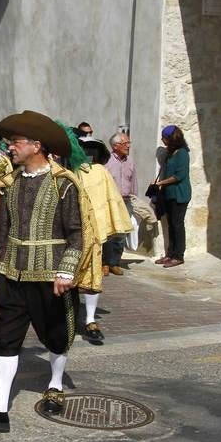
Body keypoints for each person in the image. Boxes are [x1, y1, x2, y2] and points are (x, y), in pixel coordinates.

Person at [0, 111, 91, 433]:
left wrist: (66, 271)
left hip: (51, 276)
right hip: (12, 274)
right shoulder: (9, 184)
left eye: (15, 142)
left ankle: (56, 385)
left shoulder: (64, 184)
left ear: (36, 145)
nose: (10, 148)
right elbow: (1, 229)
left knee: (57, 335)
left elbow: (77, 231)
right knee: (6, 339)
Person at [76, 136, 132, 344]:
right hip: (74, 232)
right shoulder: (68, 171)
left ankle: (90, 319)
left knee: (92, 277)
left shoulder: (100, 172)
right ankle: (77, 318)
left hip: (91, 234)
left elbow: (110, 200)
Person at [153, 125, 191, 268]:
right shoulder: (171, 153)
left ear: (171, 138)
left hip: (180, 194)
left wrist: (161, 182)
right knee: (171, 225)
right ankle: (170, 254)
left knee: (177, 225)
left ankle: (178, 255)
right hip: (169, 194)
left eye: (164, 137)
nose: (162, 140)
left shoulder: (182, 153)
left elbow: (179, 175)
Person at [103, 132, 138, 276]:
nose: (128, 146)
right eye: (125, 143)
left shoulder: (130, 162)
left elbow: (134, 182)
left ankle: (114, 263)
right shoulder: (107, 162)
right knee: (109, 232)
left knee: (122, 234)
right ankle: (104, 263)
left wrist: (134, 197)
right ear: (116, 146)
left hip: (125, 201)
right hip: (110, 201)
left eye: (129, 143)